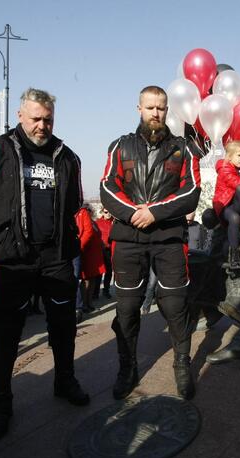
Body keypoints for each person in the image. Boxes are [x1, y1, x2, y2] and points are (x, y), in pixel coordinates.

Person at [0, 87, 89, 441]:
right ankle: (1, 402)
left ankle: (65, 380)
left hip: (55, 258)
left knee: (63, 326)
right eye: (35, 118)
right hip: (11, 261)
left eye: (47, 119)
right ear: (20, 116)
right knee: (7, 334)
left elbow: (74, 203)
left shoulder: (68, 157)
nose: (41, 125)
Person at [100, 85, 201, 400]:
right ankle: (127, 367)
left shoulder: (184, 148)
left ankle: (182, 364)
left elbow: (192, 192)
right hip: (128, 239)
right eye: (150, 107)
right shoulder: (120, 146)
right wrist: (135, 215)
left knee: (175, 305)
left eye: (161, 108)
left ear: (167, 110)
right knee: (127, 309)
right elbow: (106, 187)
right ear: (139, 109)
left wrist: (154, 213)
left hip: (169, 238)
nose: (156, 113)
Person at [212, 140, 240, 272]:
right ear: (230, 156)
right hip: (224, 205)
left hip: (238, 205)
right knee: (234, 217)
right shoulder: (225, 168)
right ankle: (234, 255)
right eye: (239, 155)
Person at [74, 205, 106, 321]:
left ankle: (89, 303)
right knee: (85, 280)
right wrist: (80, 247)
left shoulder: (94, 223)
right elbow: (86, 234)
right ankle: (84, 305)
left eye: (90, 211)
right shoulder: (84, 219)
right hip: (86, 254)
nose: (89, 212)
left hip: (94, 255)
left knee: (92, 279)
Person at [95, 208, 114, 299]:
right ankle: (95, 292)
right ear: (102, 212)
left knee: (109, 272)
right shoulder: (98, 222)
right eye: (106, 212)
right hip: (100, 250)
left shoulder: (114, 222)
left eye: (110, 212)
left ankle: (106, 290)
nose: (108, 214)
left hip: (110, 250)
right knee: (99, 272)